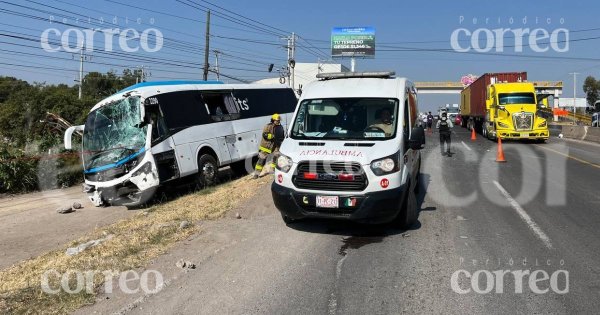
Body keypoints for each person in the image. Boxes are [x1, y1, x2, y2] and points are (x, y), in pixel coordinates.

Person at [253, 113, 285, 179]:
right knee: (261, 160)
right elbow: (264, 135)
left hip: (275, 145)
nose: (278, 121)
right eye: (277, 120)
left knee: (276, 157)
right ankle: (256, 174)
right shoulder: (268, 126)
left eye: (279, 120)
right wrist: (272, 136)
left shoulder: (280, 127)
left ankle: (272, 169)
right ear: (273, 120)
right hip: (266, 146)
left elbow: (282, 135)